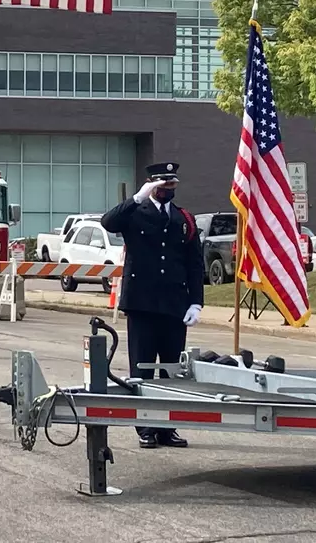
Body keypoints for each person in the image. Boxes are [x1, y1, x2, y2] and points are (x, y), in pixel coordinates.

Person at [101, 162, 204, 449]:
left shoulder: (185, 219)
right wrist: (136, 198)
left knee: (171, 371)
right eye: (161, 186)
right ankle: (145, 425)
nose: (166, 191)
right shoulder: (135, 214)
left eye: (171, 186)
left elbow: (194, 265)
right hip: (142, 304)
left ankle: (166, 427)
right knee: (142, 370)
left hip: (174, 305)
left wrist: (196, 302)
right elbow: (108, 223)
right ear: (151, 185)